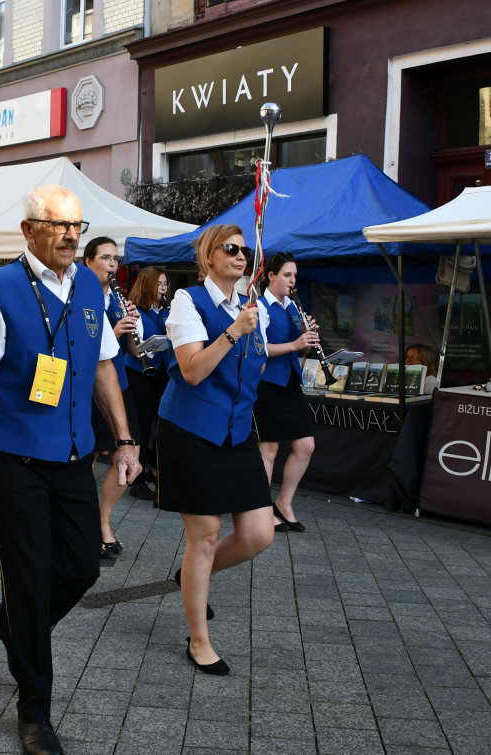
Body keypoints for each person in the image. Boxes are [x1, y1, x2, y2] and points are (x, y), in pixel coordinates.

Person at [0, 186, 140, 755]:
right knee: (31, 579)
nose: (69, 234)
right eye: (57, 225)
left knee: (82, 566)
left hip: (73, 454)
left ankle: (15, 624)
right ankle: (35, 711)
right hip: (14, 459)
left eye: (76, 225)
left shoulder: (90, 285)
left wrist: (126, 438)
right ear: (28, 229)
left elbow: (104, 366)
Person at [158, 224, 274, 676]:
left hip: (237, 431)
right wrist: (231, 332)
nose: (240, 256)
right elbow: (190, 371)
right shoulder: (188, 300)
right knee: (204, 536)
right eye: (231, 249)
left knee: (258, 535)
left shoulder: (252, 306)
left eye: (244, 250)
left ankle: (191, 578)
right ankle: (198, 640)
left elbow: (255, 367)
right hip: (190, 429)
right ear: (209, 256)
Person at [82, 237, 143, 559]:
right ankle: (82, 522)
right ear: (88, 262)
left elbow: (134, 351)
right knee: (87, 456)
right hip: (87, 388)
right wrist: (114, 331)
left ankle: (102, 520)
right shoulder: (78, 297)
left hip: (118, 385)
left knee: (130, 454)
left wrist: (134, 331)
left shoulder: (119, 300)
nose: (112, 264)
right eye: (105, 257)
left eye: (115, 258)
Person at [255, 253, 320, 533]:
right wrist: (296, 343)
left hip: (290, 381)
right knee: (269, 449)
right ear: (271, 276)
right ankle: (260, 509)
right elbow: (260, 349)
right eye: (287, 275)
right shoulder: (260, 307)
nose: (292, 281)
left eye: (294, 276)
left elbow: (302, 350)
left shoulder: (293, 306)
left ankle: (284, 502)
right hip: (267, 383)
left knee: (306, 446)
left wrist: (307, 339)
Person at [124, 266, 170, 501]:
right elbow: (133, 349)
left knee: (161, 424)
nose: (163, 289)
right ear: (148, 285)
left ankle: (155, 469)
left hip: (162, 374)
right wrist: (156, 344)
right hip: (138, 374)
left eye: (165, 284)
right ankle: (137, 479)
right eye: (159, 284)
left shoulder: (167, 311)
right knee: (141, 426)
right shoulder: (135, 311)